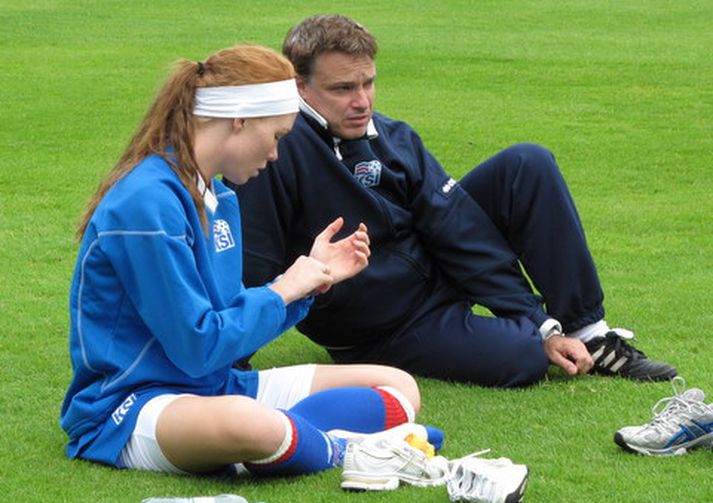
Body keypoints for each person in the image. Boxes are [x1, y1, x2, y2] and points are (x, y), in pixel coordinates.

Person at [232, 14, 677, 387]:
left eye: (368, 83)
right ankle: (528, 339)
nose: (361, 101)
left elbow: (455, 224)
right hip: (383, 324)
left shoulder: (392, 137)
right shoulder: (275, 151)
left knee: (527, 165)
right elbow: (254, 260)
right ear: (299, 86)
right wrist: (232, 356)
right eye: (343, 88)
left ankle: (589, 334)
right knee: (523, 359)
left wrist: (538, 319)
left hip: (432, 266)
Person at [60, 44, 431, 478]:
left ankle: (290, 438)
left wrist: (310, 279)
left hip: (216, 386)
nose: (275, 155)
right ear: (239, 119)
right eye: (275, 136)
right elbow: (198, 347)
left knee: (397, 386)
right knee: (247, 423)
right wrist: (284, 287)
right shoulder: (147, 203)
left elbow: (225, 328)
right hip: (132, 405)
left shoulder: (220, 199)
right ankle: (336, 448)